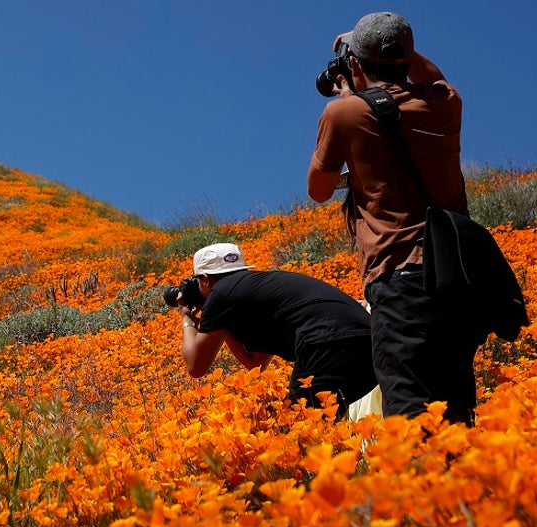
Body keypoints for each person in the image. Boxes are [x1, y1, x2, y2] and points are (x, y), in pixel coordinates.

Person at [307, 11, 478, 424]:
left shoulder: (343, 115)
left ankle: (421, 488)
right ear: (408, 55)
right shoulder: (445, 103)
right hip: (459, 281)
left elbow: (319, 189)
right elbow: (433, 74)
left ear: (353, 63)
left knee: (410, 407)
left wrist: (349, 93)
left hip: (402, 278)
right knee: (454, 406)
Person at [177, 243, 378, 418]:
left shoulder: (220, 293)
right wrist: (223, 324)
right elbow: (254, 364)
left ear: (205, 279)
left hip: (326, 343)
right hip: (371, 345)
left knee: (299, 428)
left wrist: (186, 318)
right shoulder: (263, 289)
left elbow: (196, 367)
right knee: (320, 425)